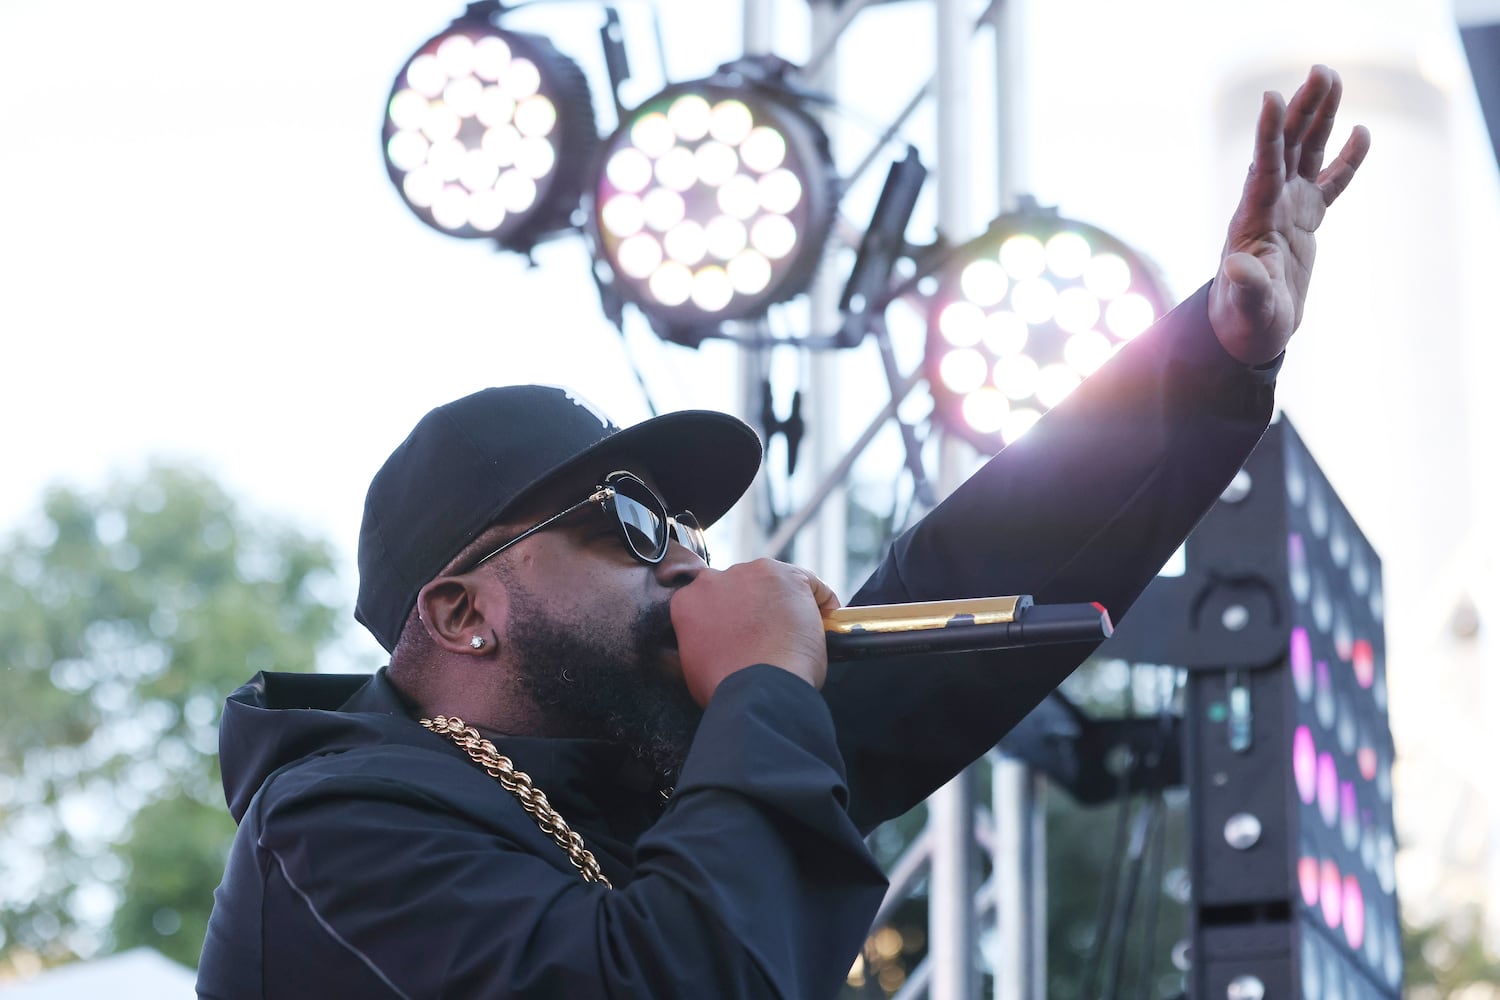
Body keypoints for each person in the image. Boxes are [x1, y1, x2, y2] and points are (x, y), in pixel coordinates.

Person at [197, 65, 1369, 998]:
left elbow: (959, 576)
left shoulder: (647, 773)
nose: (688, 552)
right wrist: (761, 674)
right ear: (462, 609)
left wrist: (1213, 358)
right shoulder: (337, 822)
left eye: (688, 518)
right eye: (630, 517)